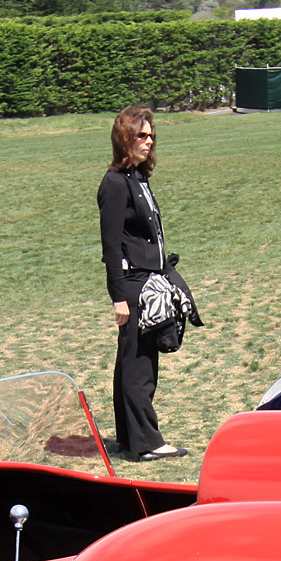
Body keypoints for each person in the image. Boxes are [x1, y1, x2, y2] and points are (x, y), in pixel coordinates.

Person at [96, 107, 183, 461]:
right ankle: (147, 441)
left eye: (151, 136)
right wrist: (119, 296)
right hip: (133, 284)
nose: (149, 142)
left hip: (148, 280)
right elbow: (111, 245)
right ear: (124, 139)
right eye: (141, 136)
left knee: (131, 361)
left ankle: (130, 438)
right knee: (140, 366)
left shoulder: (137, 179)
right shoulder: (115, 184)